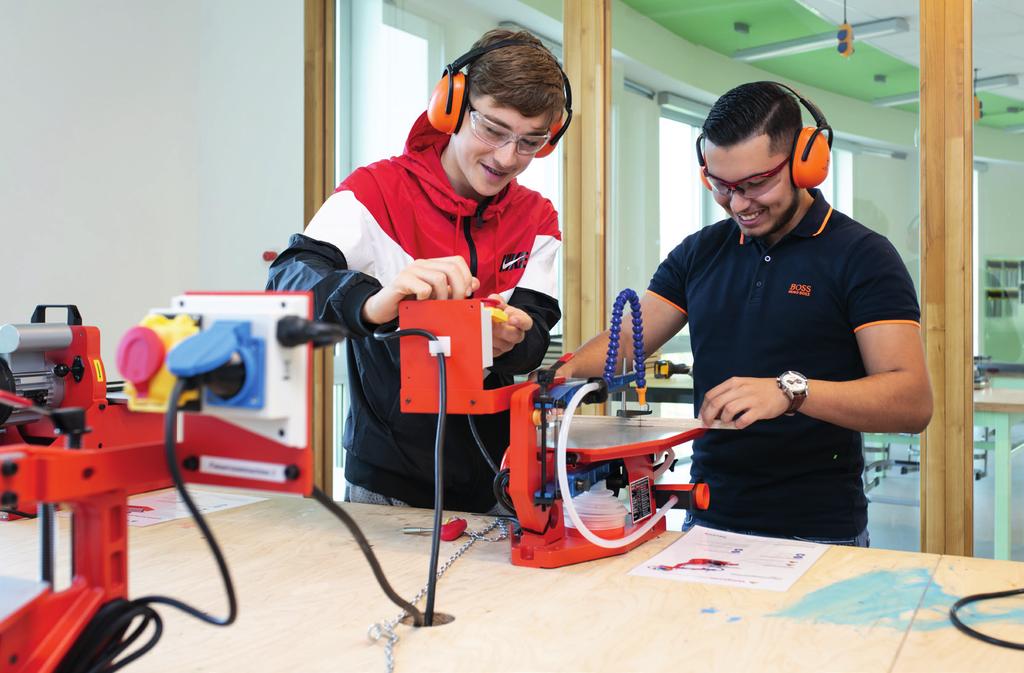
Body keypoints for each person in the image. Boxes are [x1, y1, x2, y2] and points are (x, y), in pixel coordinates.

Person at [555, 81, 932, 545]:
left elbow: (912, 402)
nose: (738, 204)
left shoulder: (863, 256)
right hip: (708, 520)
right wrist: (553, 378)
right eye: (721, 186)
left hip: (819, 531)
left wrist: (791, 392)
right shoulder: (699, 253)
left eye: (756, 184)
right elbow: (626, 346)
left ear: (804, 162)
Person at [267, 29, 570, 513]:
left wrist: (514, 342)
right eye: (492, 130)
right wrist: (372, 303)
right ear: (451, 107)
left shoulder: (537, 219)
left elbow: (537, 330)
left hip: (496, 477)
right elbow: (285, 280)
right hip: (387, 483)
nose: (507, 158)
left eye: (530, 142)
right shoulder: (376, 192)